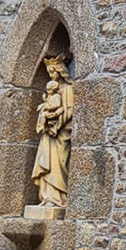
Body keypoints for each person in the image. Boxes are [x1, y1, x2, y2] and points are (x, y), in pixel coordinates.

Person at [31, 57, 74, 208]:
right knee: (45, 160)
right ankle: (47, 197)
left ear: (60, 71)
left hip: (59, 133)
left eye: (53, 71)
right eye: (49, 72)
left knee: (58, 163)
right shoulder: (51, 93)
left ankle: (58, 198)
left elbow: (69, 111)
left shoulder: (68, 89)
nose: (50, 74)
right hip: (48, 134)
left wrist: (56, 123)